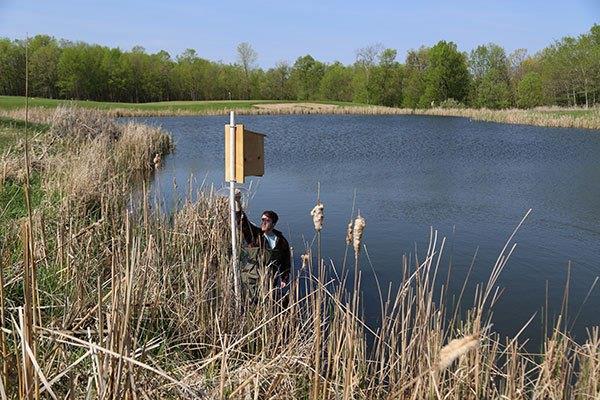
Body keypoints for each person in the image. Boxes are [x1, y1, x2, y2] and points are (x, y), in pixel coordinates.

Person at [234, 192, 291, 301]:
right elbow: (242, 221)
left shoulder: (281, 241)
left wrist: (284, 278)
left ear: (273, 224)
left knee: (268, 302)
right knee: (251, 302)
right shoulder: (255, 235)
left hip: (270, 280)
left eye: (267, 220)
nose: (263, 222)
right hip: (252, 279)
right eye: (262, 220)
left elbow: (285, 261)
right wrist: (237, 201)